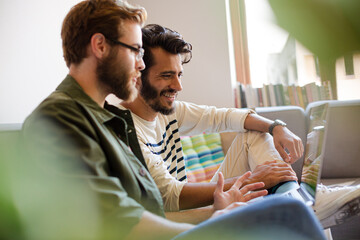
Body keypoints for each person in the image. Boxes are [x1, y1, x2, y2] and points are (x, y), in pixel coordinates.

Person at [21, 1, 326, 239]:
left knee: (284, 210)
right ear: (100, 46)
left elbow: (147, 205)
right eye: (135, 51)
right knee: (287, 211)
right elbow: (123, 223)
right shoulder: (59, 117)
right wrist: (215, 224)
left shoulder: (105, 118)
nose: (140, 64)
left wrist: (218, 211)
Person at [119, 23, 359, 229]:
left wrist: (277, 127)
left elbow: (225, 117)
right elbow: (172, 197)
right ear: (137, 75)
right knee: (305, 205)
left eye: (179, 74)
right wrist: (255, 178)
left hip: (197, 203)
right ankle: (305, 205)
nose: (178, 86)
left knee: (254, 134)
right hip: (178, 219)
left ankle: (303, 203)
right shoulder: (127, 132)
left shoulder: (167, 112)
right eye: (166, 76)